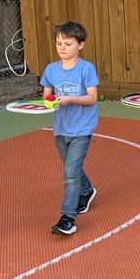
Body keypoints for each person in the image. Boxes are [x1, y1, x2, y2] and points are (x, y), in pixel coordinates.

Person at [41, 20, 100, 236]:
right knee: (70, 168)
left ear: (80, 45)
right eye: (59, 43)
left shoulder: (86, 68)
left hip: (82, 129)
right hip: (61, 128)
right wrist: (50, 100)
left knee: (70, 174)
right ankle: (87, 191)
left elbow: (92, 98)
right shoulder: (51, 69)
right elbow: (46, 96)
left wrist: (67, 99)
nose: (62, 47)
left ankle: (68, 218)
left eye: (67, 43)